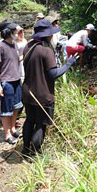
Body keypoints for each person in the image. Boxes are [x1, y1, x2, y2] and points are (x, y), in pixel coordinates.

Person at [21, 19, 77, 156]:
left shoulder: (28, 47)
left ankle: (25, 149)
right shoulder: (46, 50)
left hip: (27, 92)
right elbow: (53, 74)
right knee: (40, 124)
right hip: (43, 95)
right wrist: (68, 64)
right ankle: (34, 153)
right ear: (48, 35)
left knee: (29, 120)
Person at [0, 20, 23, 144]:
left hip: (16, 80)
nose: (16, 32)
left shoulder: (15, 45)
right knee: (6, 110)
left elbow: (15, 60)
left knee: (17, 106)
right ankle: (7, 135)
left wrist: (27, 53)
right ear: (7, 32)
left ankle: (12, 129)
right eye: (13, 30)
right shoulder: (0, 46)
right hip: (7, 82)